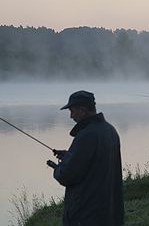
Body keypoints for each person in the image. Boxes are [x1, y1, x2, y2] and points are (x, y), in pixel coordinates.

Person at [47, 90, 124, 226]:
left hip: (86, 213)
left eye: (72, 111)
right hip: (107, 210)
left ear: (82, 110)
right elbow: (95, 159)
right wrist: (70, 156)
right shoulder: (110, 130)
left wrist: (58, 169)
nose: (71, 116)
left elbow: (67, 175)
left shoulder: (87, 135)